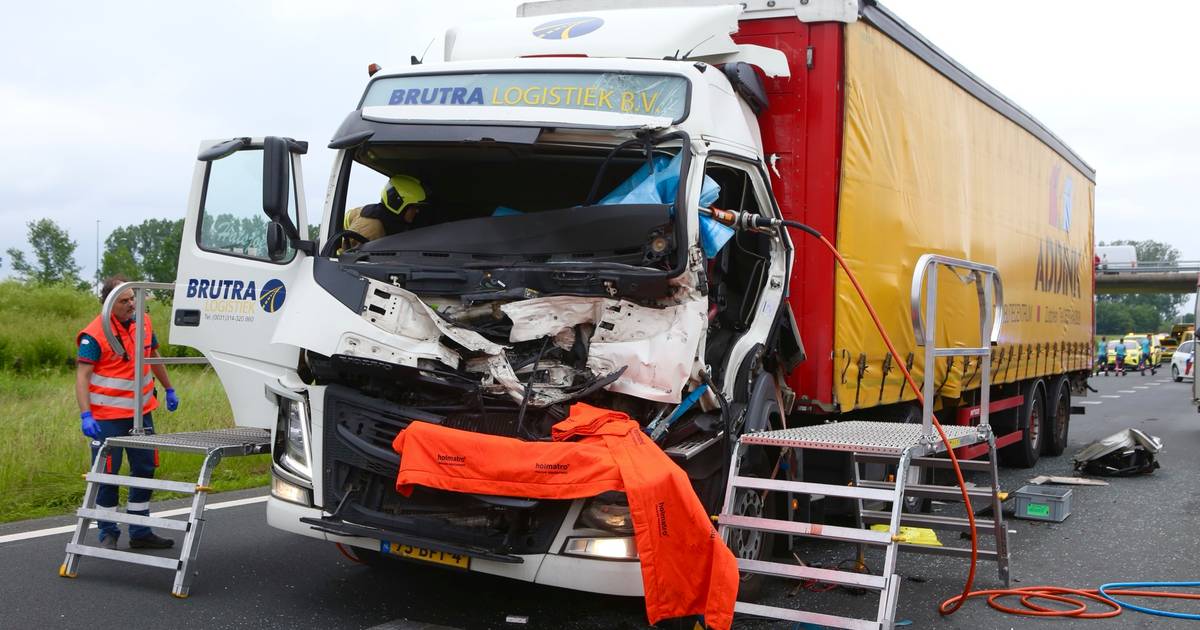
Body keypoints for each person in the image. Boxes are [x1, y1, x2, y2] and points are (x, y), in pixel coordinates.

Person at [75, 276, 180, 550]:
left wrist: (169, 388)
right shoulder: (95, 333)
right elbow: (83, 377)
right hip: (107, 418)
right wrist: (86, 414)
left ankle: (140, 531)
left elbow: (153, 356)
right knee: (108, 473)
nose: (131, 304)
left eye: (133, 298)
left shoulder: (143, 321)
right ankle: (108, 531)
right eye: (124, 300)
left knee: (145, 468)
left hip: (141, 413)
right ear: (109, 304)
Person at [342, 174, 428, 243]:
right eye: (413, 207)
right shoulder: (372, 229)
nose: (417, 211)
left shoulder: (395, 221)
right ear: (397, 203)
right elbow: (346, 258)